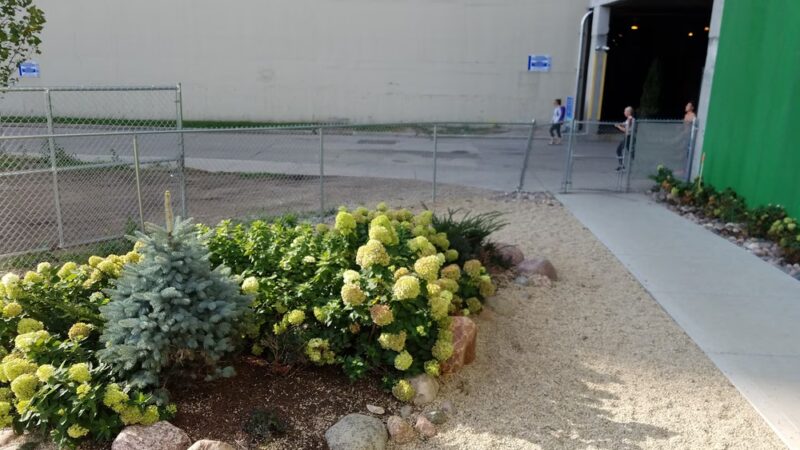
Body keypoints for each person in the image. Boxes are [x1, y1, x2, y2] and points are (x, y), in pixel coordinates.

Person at [614, 106, 635, 171]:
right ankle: (623, 165)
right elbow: (624, 124)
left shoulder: (630, 119)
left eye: (625, 111)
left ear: (629, 112)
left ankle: (623, 166)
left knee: (619, 150)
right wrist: (620, 124)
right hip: (627, 137)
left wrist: (618, 127)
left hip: (629, 137)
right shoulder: (628, 119)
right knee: (630, 152)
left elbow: (626, 130)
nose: (624, 112)